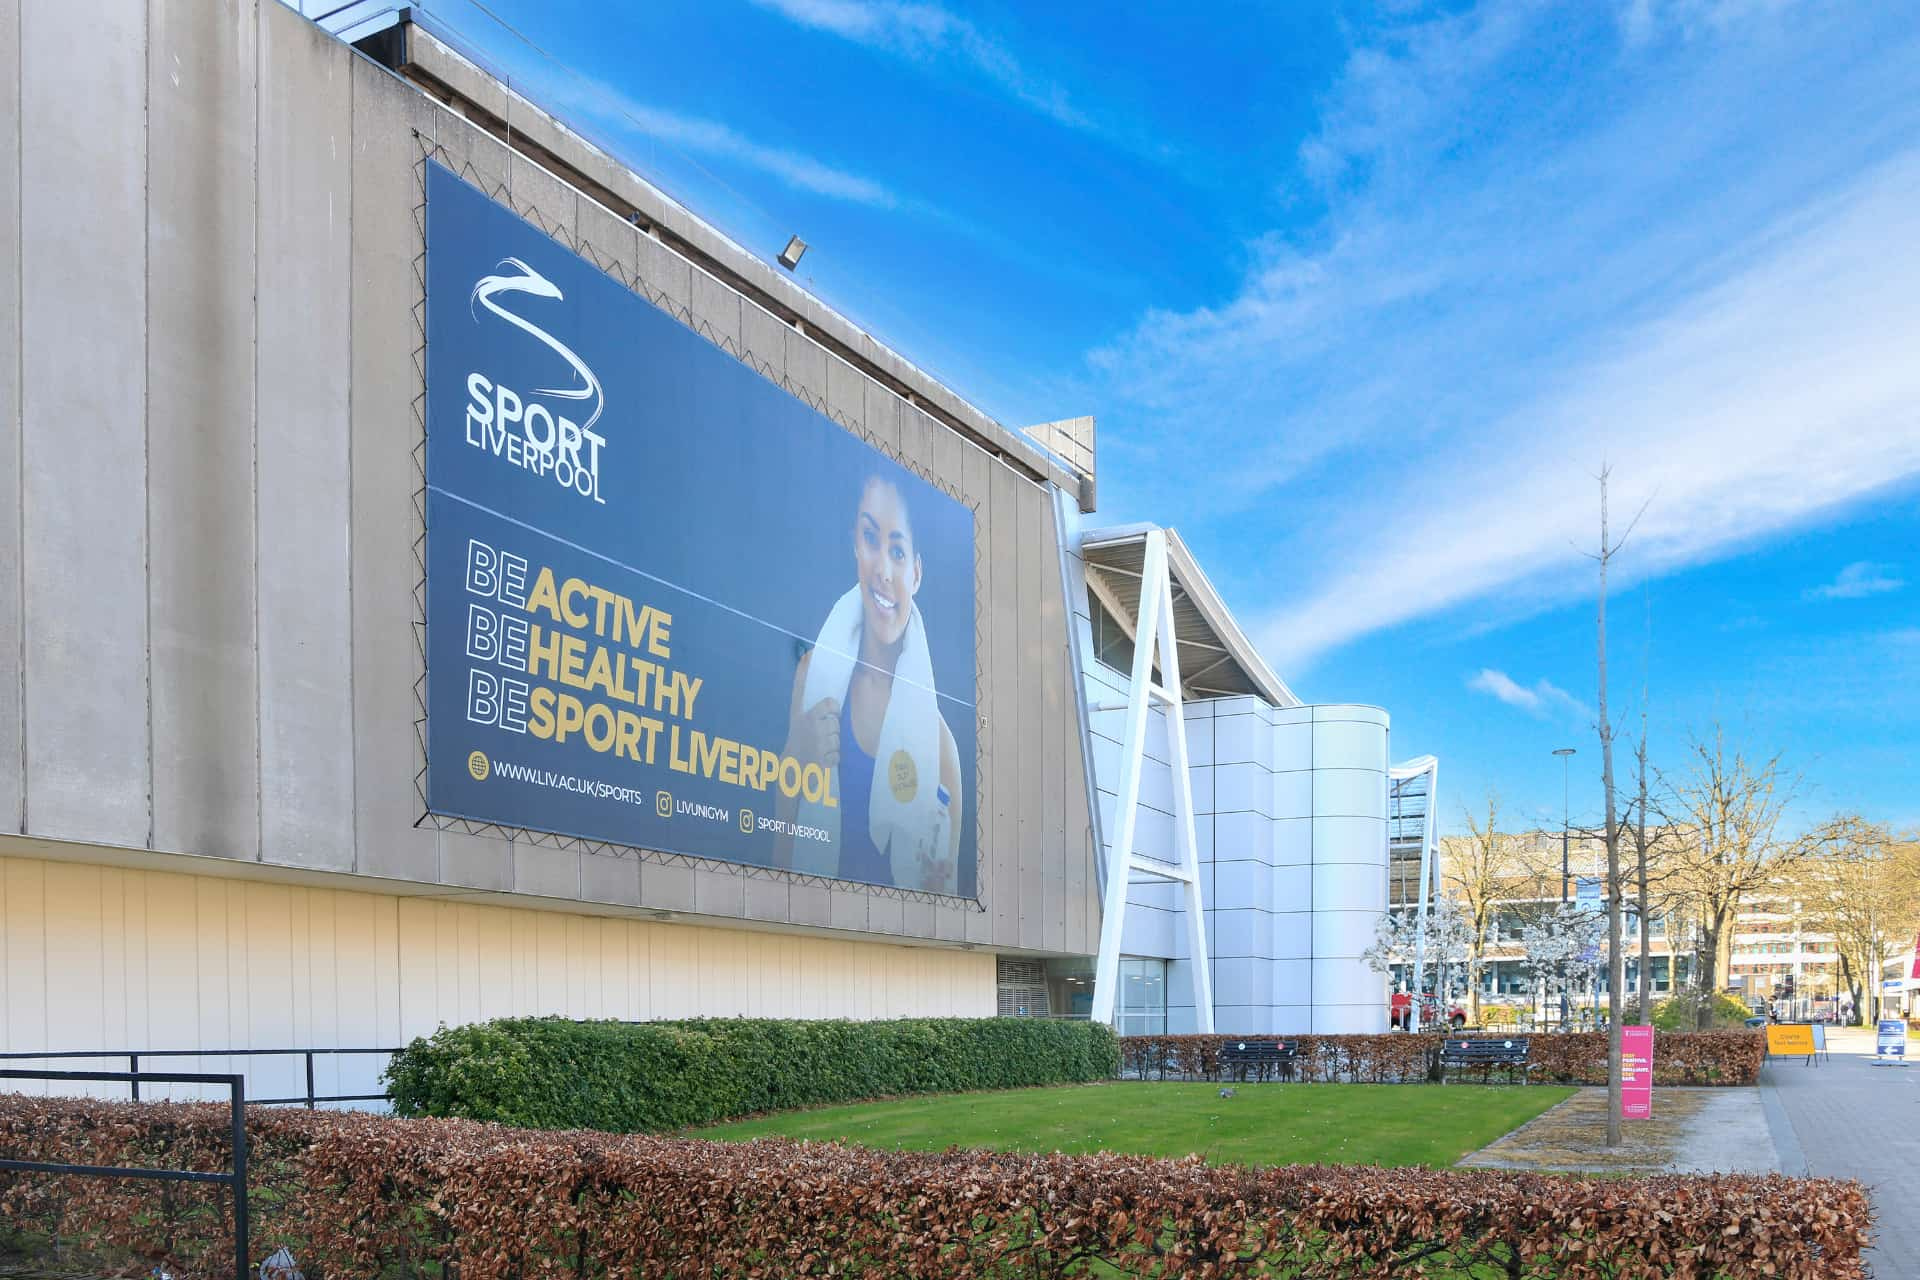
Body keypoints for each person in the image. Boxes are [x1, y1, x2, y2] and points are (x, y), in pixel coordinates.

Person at [774, 473, 964, 893]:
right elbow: (779, 857)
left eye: (897, 550)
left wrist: (937, 889)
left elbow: (944, 903)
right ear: (855, 546)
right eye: (870, 539)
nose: (883, 569)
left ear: (915, 573)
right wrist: (798, 754)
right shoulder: (812, 679)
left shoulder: (941, 749)